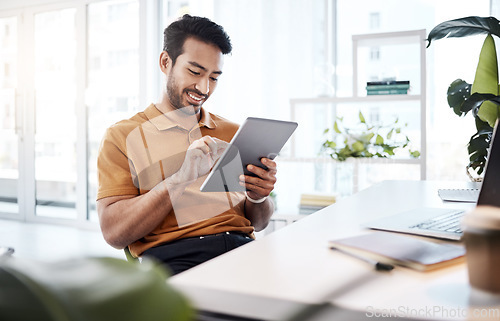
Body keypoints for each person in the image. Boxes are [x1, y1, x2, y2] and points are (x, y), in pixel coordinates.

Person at [96, 14, 276, 275]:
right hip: (176, 257)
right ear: (165, 62)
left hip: (243, 250)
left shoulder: (233, 132)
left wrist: (259, 196)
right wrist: (180, 179)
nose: (204, 88)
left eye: (214, 77)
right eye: (195, 72)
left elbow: (258, 223)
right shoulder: (122, 136)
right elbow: (114, 233)